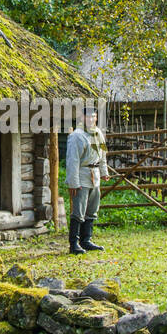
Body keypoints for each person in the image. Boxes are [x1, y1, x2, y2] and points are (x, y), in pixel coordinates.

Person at [64, 107, 108, 254]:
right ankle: (74, 244)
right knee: (79, 210)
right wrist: (73, 183)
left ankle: (86, 240)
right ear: (82, 118)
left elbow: (103, 155)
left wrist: (104, 172)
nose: (91, 120)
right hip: (82, 175)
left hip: (94, 176)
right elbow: (72, 161)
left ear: (96, 118)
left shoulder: (98, 134)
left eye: (93, 117)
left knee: (92, 209)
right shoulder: (76, 136)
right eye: (88, 117)